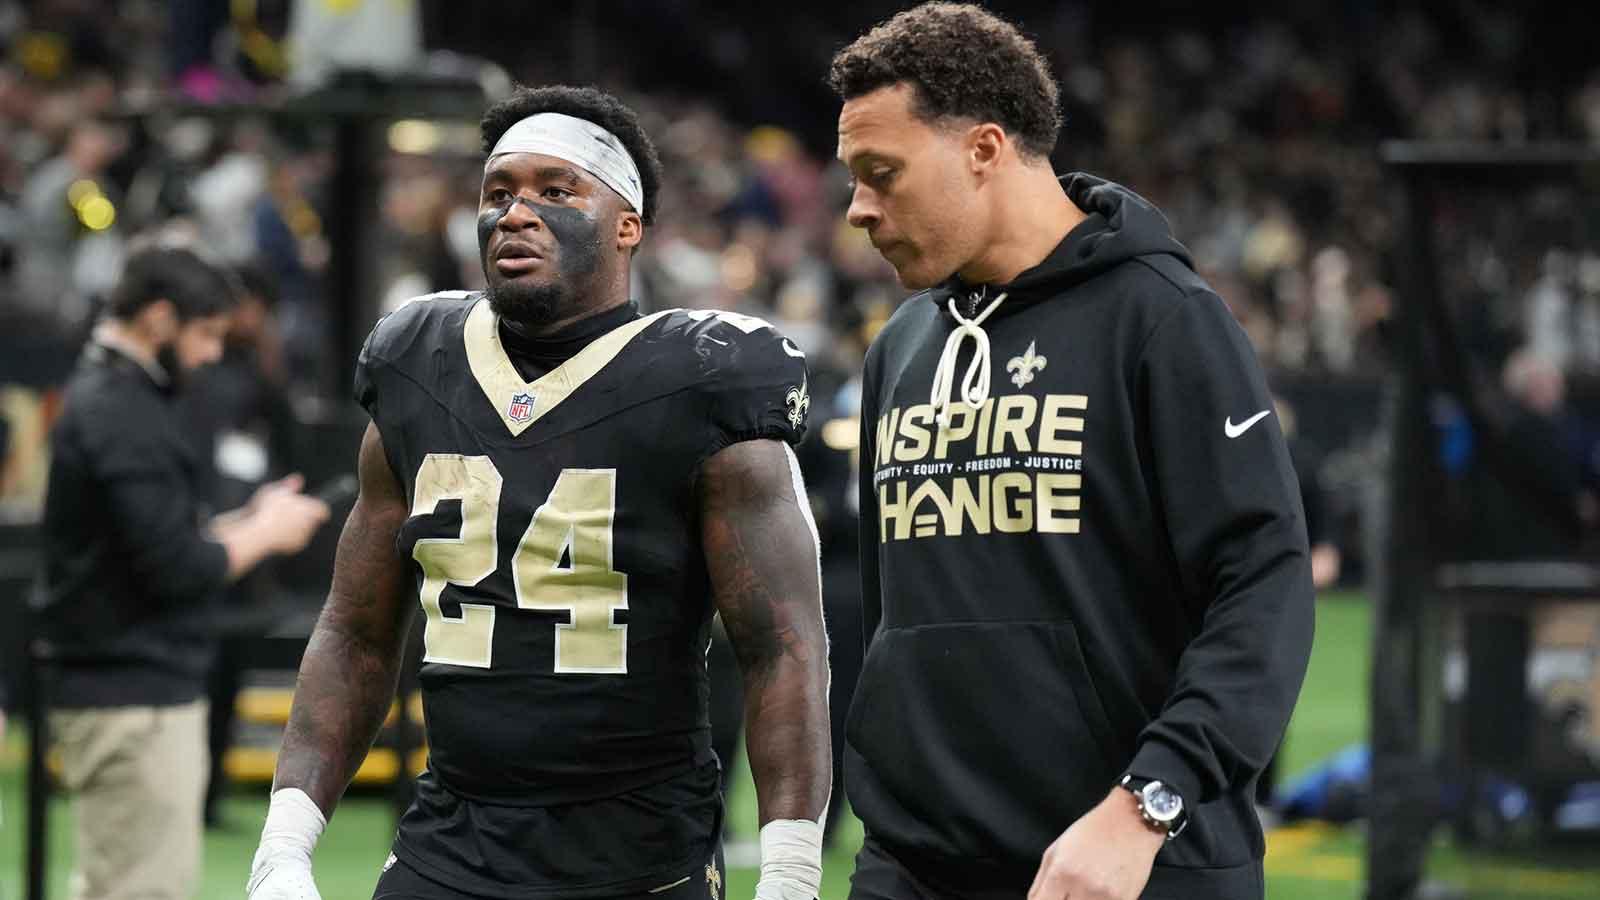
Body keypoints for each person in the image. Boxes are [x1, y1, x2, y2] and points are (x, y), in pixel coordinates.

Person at [246, 85, 832, 900]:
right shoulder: (420, 364)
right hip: (449, 847)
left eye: (558, 191)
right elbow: (357, 630)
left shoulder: (706, 378)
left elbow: (783, 650)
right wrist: (284, 843)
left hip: (637, 862)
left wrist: (793, 874)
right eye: (499, 192)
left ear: (628, 224)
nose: (516, 213)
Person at [829, 5, 1315, 900]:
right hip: (913, 863)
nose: (858, 208)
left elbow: (1264, 586)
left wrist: (1145, 805)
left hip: (1131, 864)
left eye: (880, 173)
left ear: (983, 149)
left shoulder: (1165, 320)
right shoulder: (900, 346)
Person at [35, 241, 330, 900]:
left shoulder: (117, 397)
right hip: (133, 699)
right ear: (160, 319)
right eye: (204, 335)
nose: (211, 355)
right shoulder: (118, 407)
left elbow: (154, 541)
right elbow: (176, 566)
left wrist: (246, 521)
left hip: (131, 691)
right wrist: (263, 531)